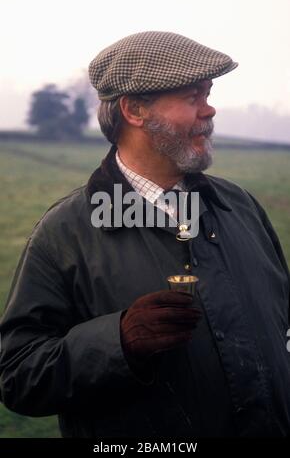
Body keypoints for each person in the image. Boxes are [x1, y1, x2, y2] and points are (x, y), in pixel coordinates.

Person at [0, 31, 290, 438]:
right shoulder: (63, 233)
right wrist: (116, 342)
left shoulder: (240, 206)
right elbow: (18, 376)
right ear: (134, 109)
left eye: (208, 95)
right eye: (194, 98)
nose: (210, 111)